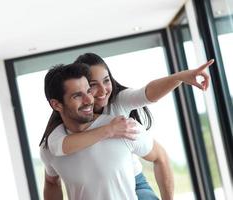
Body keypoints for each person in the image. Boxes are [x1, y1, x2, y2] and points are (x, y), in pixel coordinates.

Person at [40, 53, 214, 199]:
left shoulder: (121, 115)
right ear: (57, 105)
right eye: (91, 87)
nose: (94, 96)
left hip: (135, 180)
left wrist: (179, 77)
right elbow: (54, 163)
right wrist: (107, 130)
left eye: (105, 81)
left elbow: (147, 93)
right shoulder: (54, 141)